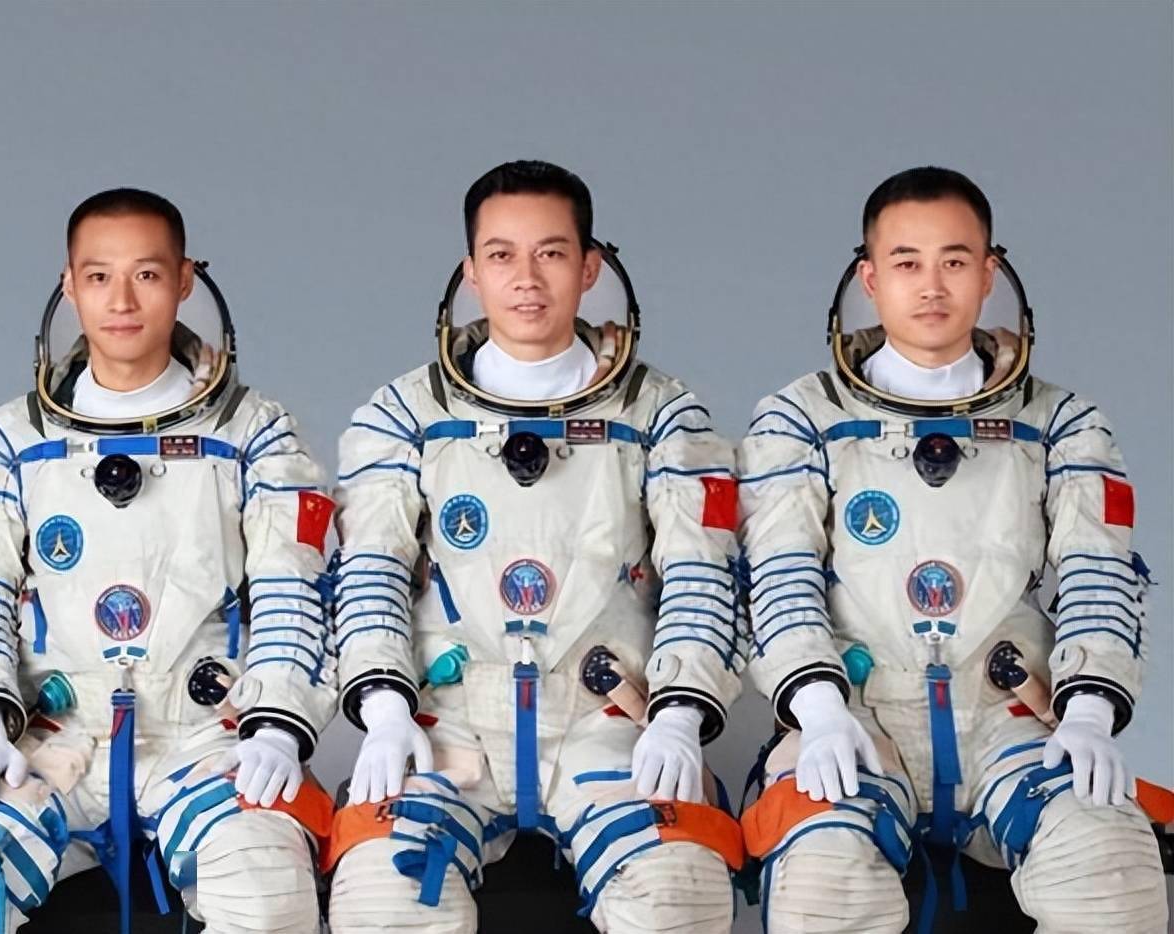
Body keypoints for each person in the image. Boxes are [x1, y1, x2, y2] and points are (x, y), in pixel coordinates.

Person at [737, 166, 1168, 933]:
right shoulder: (802, 418)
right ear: (871, 279)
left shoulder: (1061, 423)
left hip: (1011, 712)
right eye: (907, 262)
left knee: (1108, 868)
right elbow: (778, 573)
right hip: (859, 716)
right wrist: (819, 708)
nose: (932, 286)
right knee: (824, 885)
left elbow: (1099, 572)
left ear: (989, 273)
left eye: (955, 261)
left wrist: (1089, 711)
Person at [0, 188, 336, 934]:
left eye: (147, 275)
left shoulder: (255, 435)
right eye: (99, 277)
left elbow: (295, 588)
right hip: (54, 740)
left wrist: (277, 726)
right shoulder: (4, 444)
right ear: (69, 285)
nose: (122, 301)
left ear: (185, 281)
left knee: (264, 888)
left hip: (210, 736)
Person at [324, 160, 746, 933]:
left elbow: (702, 573)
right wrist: (385, 707)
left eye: (551, 253)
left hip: (610, 720)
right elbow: (369, 571)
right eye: (501, 255)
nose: (526, 278)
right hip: (450, 722)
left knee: (678, 897)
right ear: (471, 272)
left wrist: (680, 712)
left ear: (589, 267)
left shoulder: (660, 414)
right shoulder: (406, 414)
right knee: (383, 900)